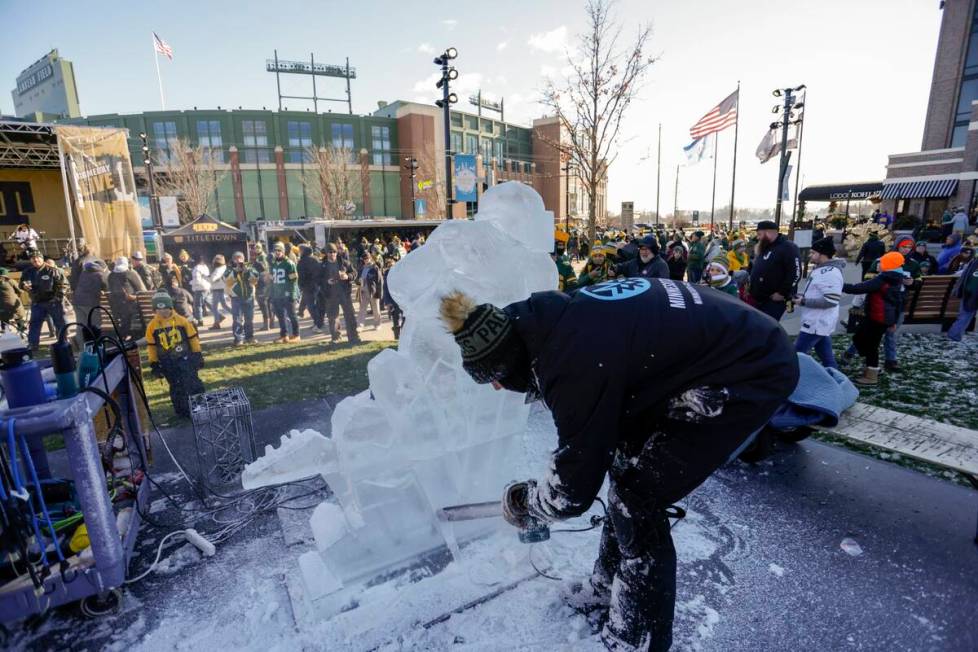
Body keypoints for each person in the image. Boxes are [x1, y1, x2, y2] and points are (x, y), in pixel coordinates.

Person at [437, 278, 798, 651]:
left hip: (748, 368)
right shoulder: (549, 322)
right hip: (721, 349)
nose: (498, 388)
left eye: (494, 378)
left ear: (508, 361)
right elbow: (600, 438)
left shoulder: (568, 360)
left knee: (638, 498)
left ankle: (639, 636)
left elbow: (574, 485)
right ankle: (607, 588)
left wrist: (531, 504)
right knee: (626, 467)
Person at [842, 251, 906, 386]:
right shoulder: (895, 277)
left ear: (888, 265)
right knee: (861, 338)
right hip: (881, 317)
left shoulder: (883, 279)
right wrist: (893, 321)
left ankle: (872, 374)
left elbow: (859, 288)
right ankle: (872, 366)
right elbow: (898, 301)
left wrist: (839, 285)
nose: (877, 265)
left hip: (878, 317)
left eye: (880, 263)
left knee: (871, 345)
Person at [145, 292, 205, 418]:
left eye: (165, 308)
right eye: (158, 309)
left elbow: (193, 338)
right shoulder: (152, 326)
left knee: (192, 382)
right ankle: (182, 411)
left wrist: (197, 354)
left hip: (185, 358)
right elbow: (151, 347)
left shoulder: (182, 321)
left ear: (170, 307)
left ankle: (201, 406)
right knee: (176, 386)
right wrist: (154, 363)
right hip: (167, 361)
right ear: (155, 310)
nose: (162, 311)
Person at [794, 237, 845, 369]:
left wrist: (804, 301)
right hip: (818, 322)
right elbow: (819, 293)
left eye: (813, 252)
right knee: (827, 358)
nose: (810, 255)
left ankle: (787, 381)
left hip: (816, 322)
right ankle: (835, 379)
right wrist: (801, 297)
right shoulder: (822, 270)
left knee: (795, 355)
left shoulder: (830, 273)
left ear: (822, 254)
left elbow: (831, 300)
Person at [749, 220, 801, 322]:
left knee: (766, 326)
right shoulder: (765, 246)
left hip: (775, 299)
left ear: (768, 232)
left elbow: (795, 273)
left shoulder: (788, 247)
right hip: (760, 298)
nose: (758, 237)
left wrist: (782, 293)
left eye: (759, 234)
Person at [882, 237, 921, 372]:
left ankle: (890, 360)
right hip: (882, 302)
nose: (906, 249)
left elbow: (919, 281)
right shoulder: (886, 259)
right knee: (871, 332)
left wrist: (913, 283)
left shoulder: (913, 264)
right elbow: (868, 276)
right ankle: (850, 353)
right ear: (897, 246)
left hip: (900, 303)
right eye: (903, 246)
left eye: (909, 247)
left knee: (891, 332)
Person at [18, 250, 67, 350]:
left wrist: (57, 298)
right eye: (33, 259)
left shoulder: (52, 270)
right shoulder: (28, 271)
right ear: (31, 260)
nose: (35, 260)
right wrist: (24, 286)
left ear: (42, 258)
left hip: (53, 302)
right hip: (37, 303)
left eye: (37, 258)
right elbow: (21, 284)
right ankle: (33, 345)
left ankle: (63, 343)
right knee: (34, 324)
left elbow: (63, 285)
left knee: (59, 323)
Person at [320, 243, 360, 344]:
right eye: (330, 252)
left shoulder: (344, 262)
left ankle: (353, 337)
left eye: (334, 252)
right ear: (326, 253)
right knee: (333, 317)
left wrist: (347, 276)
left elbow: (354, 273)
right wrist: (327, 282)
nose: (332, 254)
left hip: (344, 293)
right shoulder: (322, 265)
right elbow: (318, 280)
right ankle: (336, 337)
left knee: (350, 315)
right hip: (330, 295)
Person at [106, 256, 146, 339]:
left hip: (116, 310)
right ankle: (132, 334)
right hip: (132, 309)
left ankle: (125, 335)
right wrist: (134, 297)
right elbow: (143, 291)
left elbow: (109, 290)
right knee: (134, 307)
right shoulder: (130, 273)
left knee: (124, 311)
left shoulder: (111, 276)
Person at [224, 251, 259, 345]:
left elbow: (255, 280)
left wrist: (247, 271)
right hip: (236, 298)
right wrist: (235, 271)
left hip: (249, 297)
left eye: (240, 258)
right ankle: (238, 338)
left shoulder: (249, 267)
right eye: (236, 258)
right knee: (237, 319)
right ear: (233, 260)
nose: (238, 260)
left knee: (249, 319)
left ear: (243, 259)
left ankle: (249, 337)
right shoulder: (229, 269)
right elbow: (227, 281)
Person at [268, 242, 300, 343]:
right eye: (275, 250)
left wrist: (290, 293)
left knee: (292, 315)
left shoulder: (289, 263)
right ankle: (284, 335)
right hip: (277, 294)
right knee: (281, 316)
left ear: (283, 251)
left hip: (287, 294)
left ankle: (296, 335)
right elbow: (272, 279)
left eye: (279, 250)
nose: (277, 252)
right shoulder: (273, 264)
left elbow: (294, 280)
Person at [72, 259, 108, 345]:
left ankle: (82, 346)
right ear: (103, 267)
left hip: (77, 302)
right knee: (96, 324)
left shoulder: (84, 273)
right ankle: (98, 344)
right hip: (90, 303)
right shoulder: (100, 274)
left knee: (81, 325)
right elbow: (106, 286)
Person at [947, 244, 978, 341]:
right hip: (972, 292)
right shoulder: (975, 261)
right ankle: (954, 335)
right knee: (966, 314)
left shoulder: (974, 261)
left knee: (966, 314)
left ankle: (955, 335)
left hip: (968, 291)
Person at [357, 253, 384, 329]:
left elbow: (380, 281)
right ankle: (360, 325)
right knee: (362, 309)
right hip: (363, 291)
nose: (366, 260)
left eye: (367, 258)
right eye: (364, 259)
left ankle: (377, 324)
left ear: (370, 258)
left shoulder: (375, 268)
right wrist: (358, 281)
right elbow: (357, 278)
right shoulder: (361, 268)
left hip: (373, 291)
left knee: (376, 309)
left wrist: (379, 293)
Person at [297, 245, 321, 323]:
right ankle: (317, 322)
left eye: (300, 251)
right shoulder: (315, 259)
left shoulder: (302, 261)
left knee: (311, 306)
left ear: (303, 251)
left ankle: (318, 323)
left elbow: (301, 276)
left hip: (307, 286)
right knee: (315, 304)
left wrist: (300, 285)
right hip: (317, 285)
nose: (299, 252)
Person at [0, 268, 27, 334]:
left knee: (3, 319)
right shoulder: (10, 281)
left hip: (2, 306)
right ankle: (22, 332)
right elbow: (20, 290)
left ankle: (6, 333)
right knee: (18, 317)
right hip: (13, 303)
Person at [208, 254, 229, 330]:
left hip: (217, 288)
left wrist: (206, 277)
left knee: (215, 307)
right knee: (224, 305)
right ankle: (237, 316)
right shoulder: (224, 267)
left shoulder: (218, 269)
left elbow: (213, 279)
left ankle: (217, 323)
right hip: (221, 287)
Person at [190, 256, 211, 327]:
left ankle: (200, 320)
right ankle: (219, 316)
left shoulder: (197, 268)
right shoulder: (205, 267)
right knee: (206, 302)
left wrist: (190, 283)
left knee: (197, 305)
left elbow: (197, 280)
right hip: (206, 287)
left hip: (199, 288)